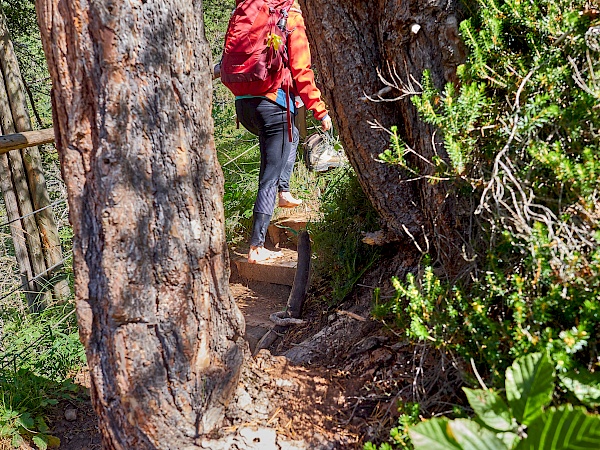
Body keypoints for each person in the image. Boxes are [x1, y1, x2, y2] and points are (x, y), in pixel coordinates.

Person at [226, 0, 332, 263]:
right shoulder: (290, 15)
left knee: (292, 138)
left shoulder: (251, 9)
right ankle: (256, 247)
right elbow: (302, 70)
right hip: (273, 105)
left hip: (244, 104)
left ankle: (284, 192)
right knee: (268, 177)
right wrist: (319, 110)